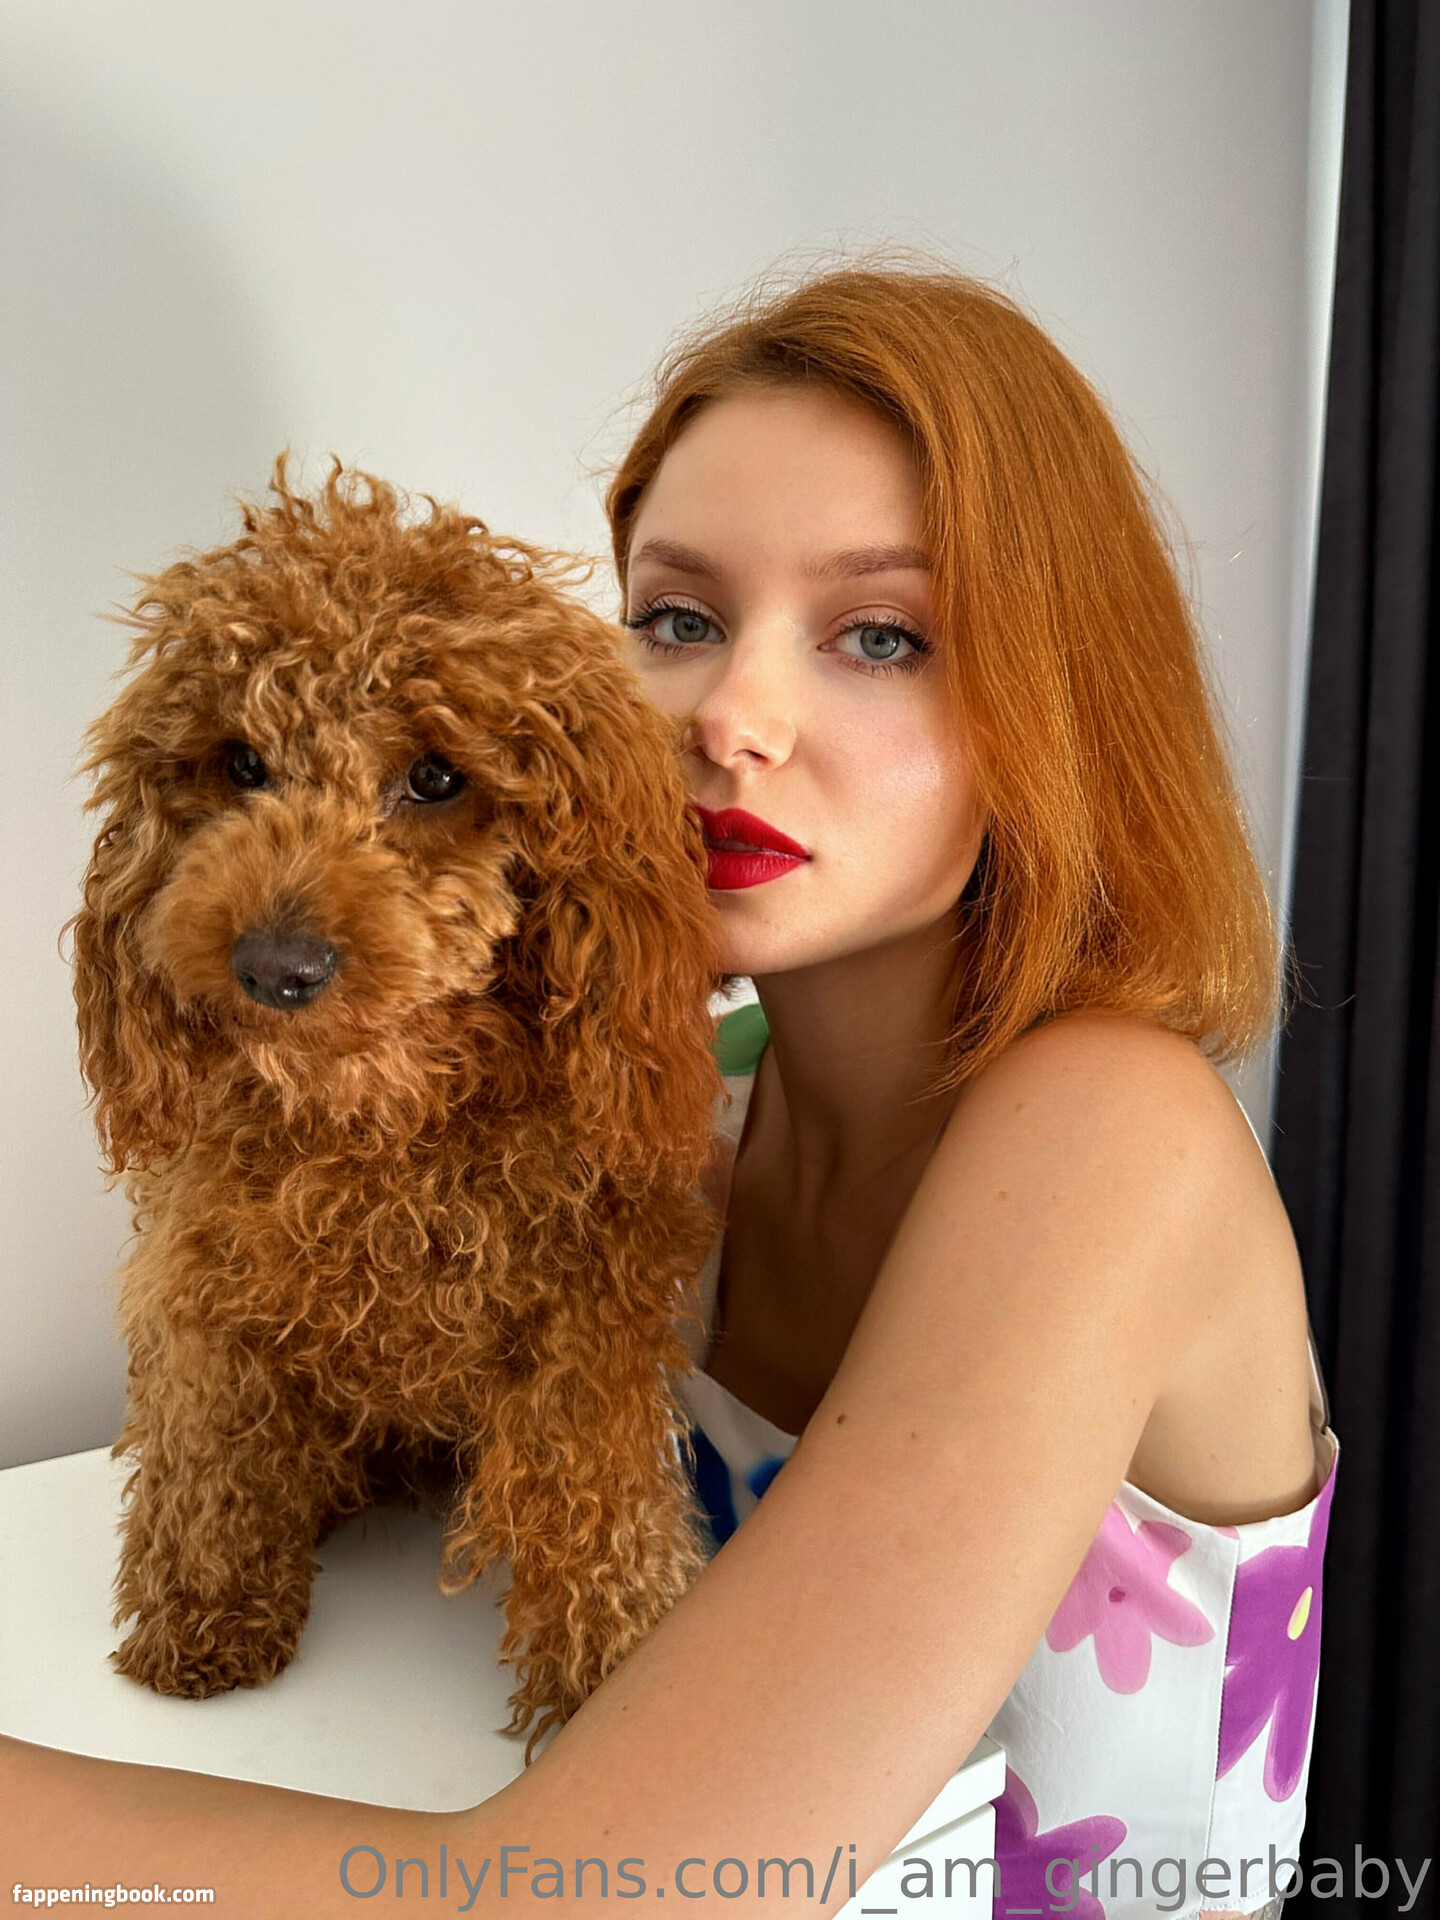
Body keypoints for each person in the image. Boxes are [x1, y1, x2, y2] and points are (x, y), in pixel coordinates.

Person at [3, 260, 1338, 1920]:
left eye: (882, 636)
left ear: (1058, 703)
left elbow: (602, 1901)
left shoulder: (1113, 1138)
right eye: (678, 622)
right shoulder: (705, 1096)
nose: (731, 720)